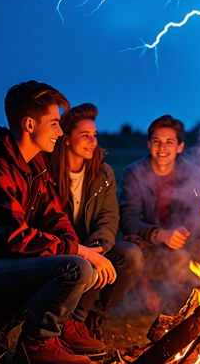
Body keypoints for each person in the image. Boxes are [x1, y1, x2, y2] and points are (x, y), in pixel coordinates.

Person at [0, 81, 116, 364]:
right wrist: (78, 252)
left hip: (0, 267)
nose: (59, 131)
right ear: (30, 124)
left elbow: (56, 219)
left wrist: (78, 248)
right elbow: (12, 237)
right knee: (73, 268)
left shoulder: (35, 168)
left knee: (79, 263)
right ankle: (37, 346)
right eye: (54, 123)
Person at [47, 103, 143, 346]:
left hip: (93, 245)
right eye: (85, 136)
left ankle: (90, 319)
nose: (92, 142)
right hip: (60, 249)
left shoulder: (103, 172)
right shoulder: (47, 171)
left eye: (95, 136)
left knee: (130, 255)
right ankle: (70, 323)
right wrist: (81, 250)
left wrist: (98, 245)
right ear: (66, 139)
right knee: (84, 261)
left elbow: (109, 217)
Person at [119, 114, 200, 313]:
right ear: (149, 144)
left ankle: (192, 297)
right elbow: (128, 219)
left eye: (169, 142)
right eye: (157, 142)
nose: (163, 147)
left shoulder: (194, 175)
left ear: (180, 146)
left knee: (190, 258)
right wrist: (159, 234)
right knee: (131, 245)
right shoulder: (134, 173)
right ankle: (145, 293)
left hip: (184, 247)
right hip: (148, 246)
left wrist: (186, 231)